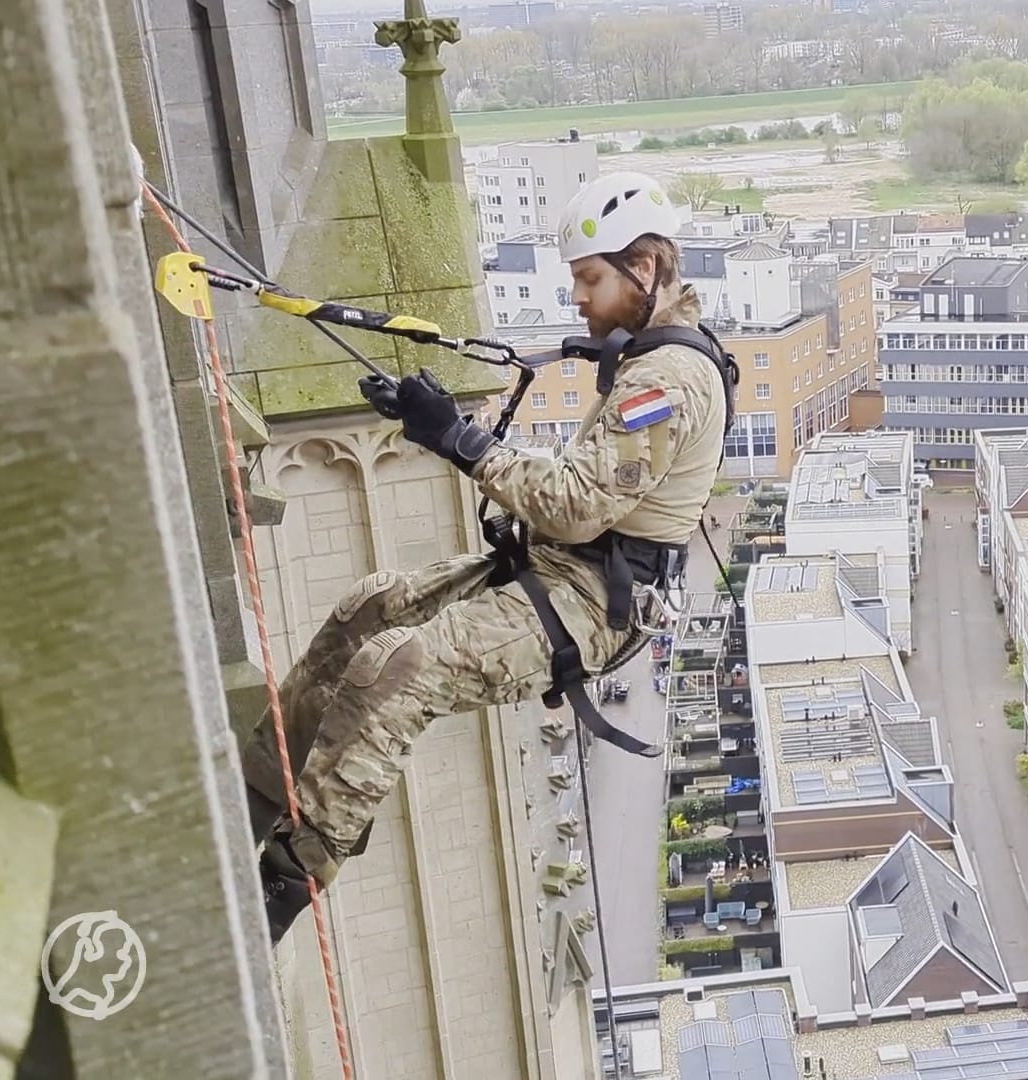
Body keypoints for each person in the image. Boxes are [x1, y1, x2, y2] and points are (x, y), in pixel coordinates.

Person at [238, 171, 733, 943]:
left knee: (401, 666)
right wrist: (433, 420)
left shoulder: (668, 379)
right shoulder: (646, 358)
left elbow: (578, 502)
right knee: (367, 608)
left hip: (592, 604)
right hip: (561, 568)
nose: (578, 300)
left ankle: (286, 880)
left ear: (648, 268)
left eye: (590, 280)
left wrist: (460, 440)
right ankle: (260, 788)